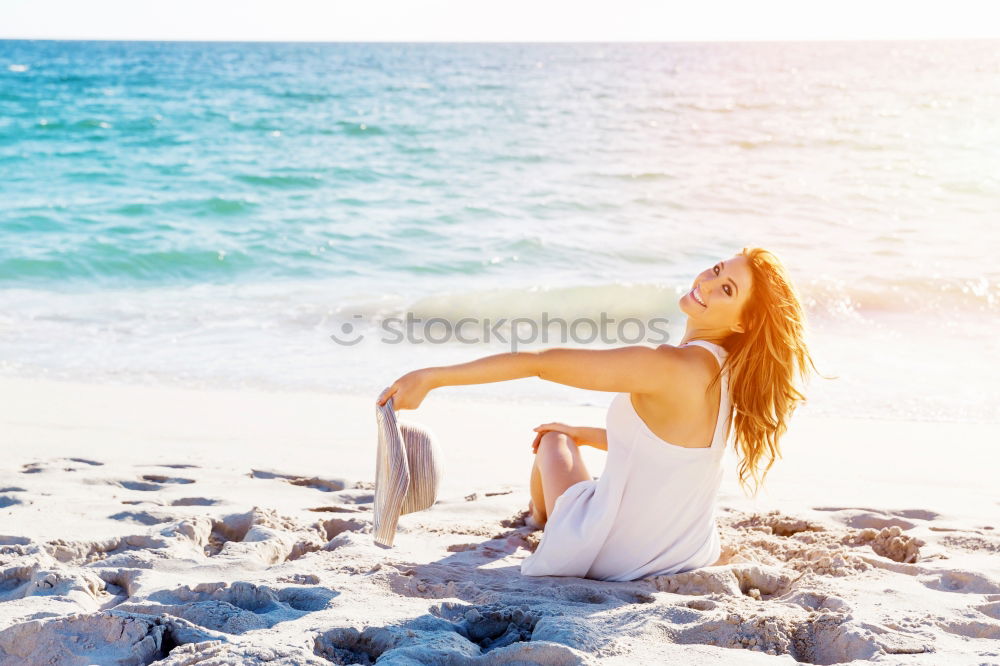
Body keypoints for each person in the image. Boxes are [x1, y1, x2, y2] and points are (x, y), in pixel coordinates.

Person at [376, 247, 821, 581]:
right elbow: (671, 453)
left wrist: (431, 377)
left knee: (552, 440)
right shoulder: (726, 374)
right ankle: (544, 511)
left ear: (743, 322)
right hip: (682, 550)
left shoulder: (667, 365)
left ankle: (538, 521)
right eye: (717, 269)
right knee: (567, 434)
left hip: (611, 554)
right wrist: (587, 434)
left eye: (726, 288)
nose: (706, 282)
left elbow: (539, 361)